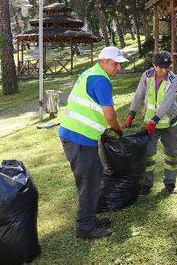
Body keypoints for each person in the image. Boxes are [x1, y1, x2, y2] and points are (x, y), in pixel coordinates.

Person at [59, 46, 127, 239]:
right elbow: (109, 114)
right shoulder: (102, 80)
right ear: (104, 61)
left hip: (77, 135)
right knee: (89, 182)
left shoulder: (90, 72)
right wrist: (116, 128)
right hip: (78, 138)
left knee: (94, 176)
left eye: (120, 65)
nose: (118, 69)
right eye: (115, 64)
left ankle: (90, 218)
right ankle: (85, 227)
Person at [124, 50, 177, 195]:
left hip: (169, 124)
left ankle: (170, 183)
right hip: (150, 124)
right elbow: (139, 95)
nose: (163, 71)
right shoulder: (147, 76)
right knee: (148, 154)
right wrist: (132, 113)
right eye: (160, 68)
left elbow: (167, 102)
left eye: (166, 68)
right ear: (154, 65)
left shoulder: (173, 80)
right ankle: (146, 184)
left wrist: (155, 120)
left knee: (171, 154)